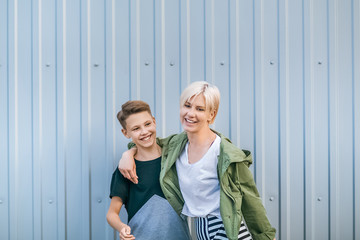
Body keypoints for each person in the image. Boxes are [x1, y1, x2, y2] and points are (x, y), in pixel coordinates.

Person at [119, 82, 276, 240]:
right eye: (187, 106)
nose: (191, 113)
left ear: (211, 115)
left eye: (200, 109)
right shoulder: (175, 146)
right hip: (200, 229)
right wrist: (128, 154)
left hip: (226, 230)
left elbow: (252, 203)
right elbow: (146, 143)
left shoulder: (226, 154)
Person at [106, 100, 191, 240]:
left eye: (147, 124)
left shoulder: (175, 158)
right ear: (125, 133)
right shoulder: (126, 169)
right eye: (136, 128)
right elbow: (111, 214)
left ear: (154, 121)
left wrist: (129, 152)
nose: (144, 132)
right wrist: (122, 227)